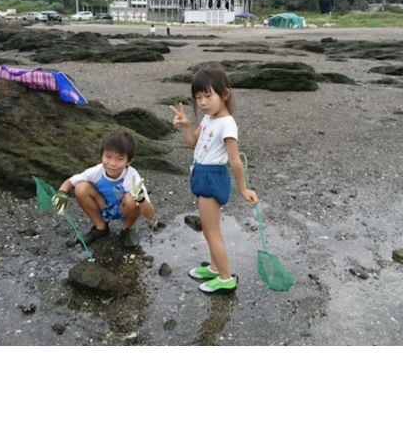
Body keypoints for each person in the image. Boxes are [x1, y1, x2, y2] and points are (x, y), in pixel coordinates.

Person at [169, 65, 258, 294]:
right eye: (198, 97)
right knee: (211, 228)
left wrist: (244, 188)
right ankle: (215, 267)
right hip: (201, 172)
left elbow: (235, 160)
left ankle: (226, 277)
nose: (203, 102)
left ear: (224, 95)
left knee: (211, 231)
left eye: (208, 96)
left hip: (213, 177)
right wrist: (187, 126)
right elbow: (193, 144)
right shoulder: (208, 119)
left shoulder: (227, 123)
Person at [51, 131, 155, 248]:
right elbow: (70, 182)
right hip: (104, 206)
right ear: (102, 155)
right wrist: (61, 193)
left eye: (120, 159)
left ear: (129, 161)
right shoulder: (96, 171)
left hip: (124, 209)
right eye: (108, 156)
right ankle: (100, 227)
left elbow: (150, 215)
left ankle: (127, 229)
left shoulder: (133, 177)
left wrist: (140, 199)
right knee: (81, 188)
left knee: (132, 199)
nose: (112, 163)